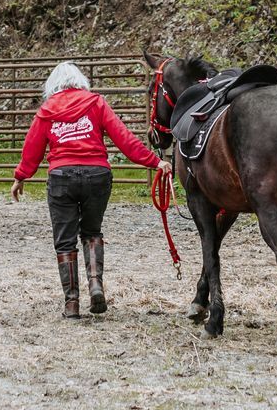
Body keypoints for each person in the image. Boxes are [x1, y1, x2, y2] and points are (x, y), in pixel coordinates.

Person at [12, 61, 170, 320]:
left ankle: (71, 304)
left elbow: (33, 148)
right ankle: (95, 285)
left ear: (52, 85)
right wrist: (155, 162)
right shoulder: (96, 103)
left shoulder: (47, 110)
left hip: (61, 177)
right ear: (80, 81)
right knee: (92, 232)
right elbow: (123, 137)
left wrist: (21, 176)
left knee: (64, 240)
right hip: (97, 175)